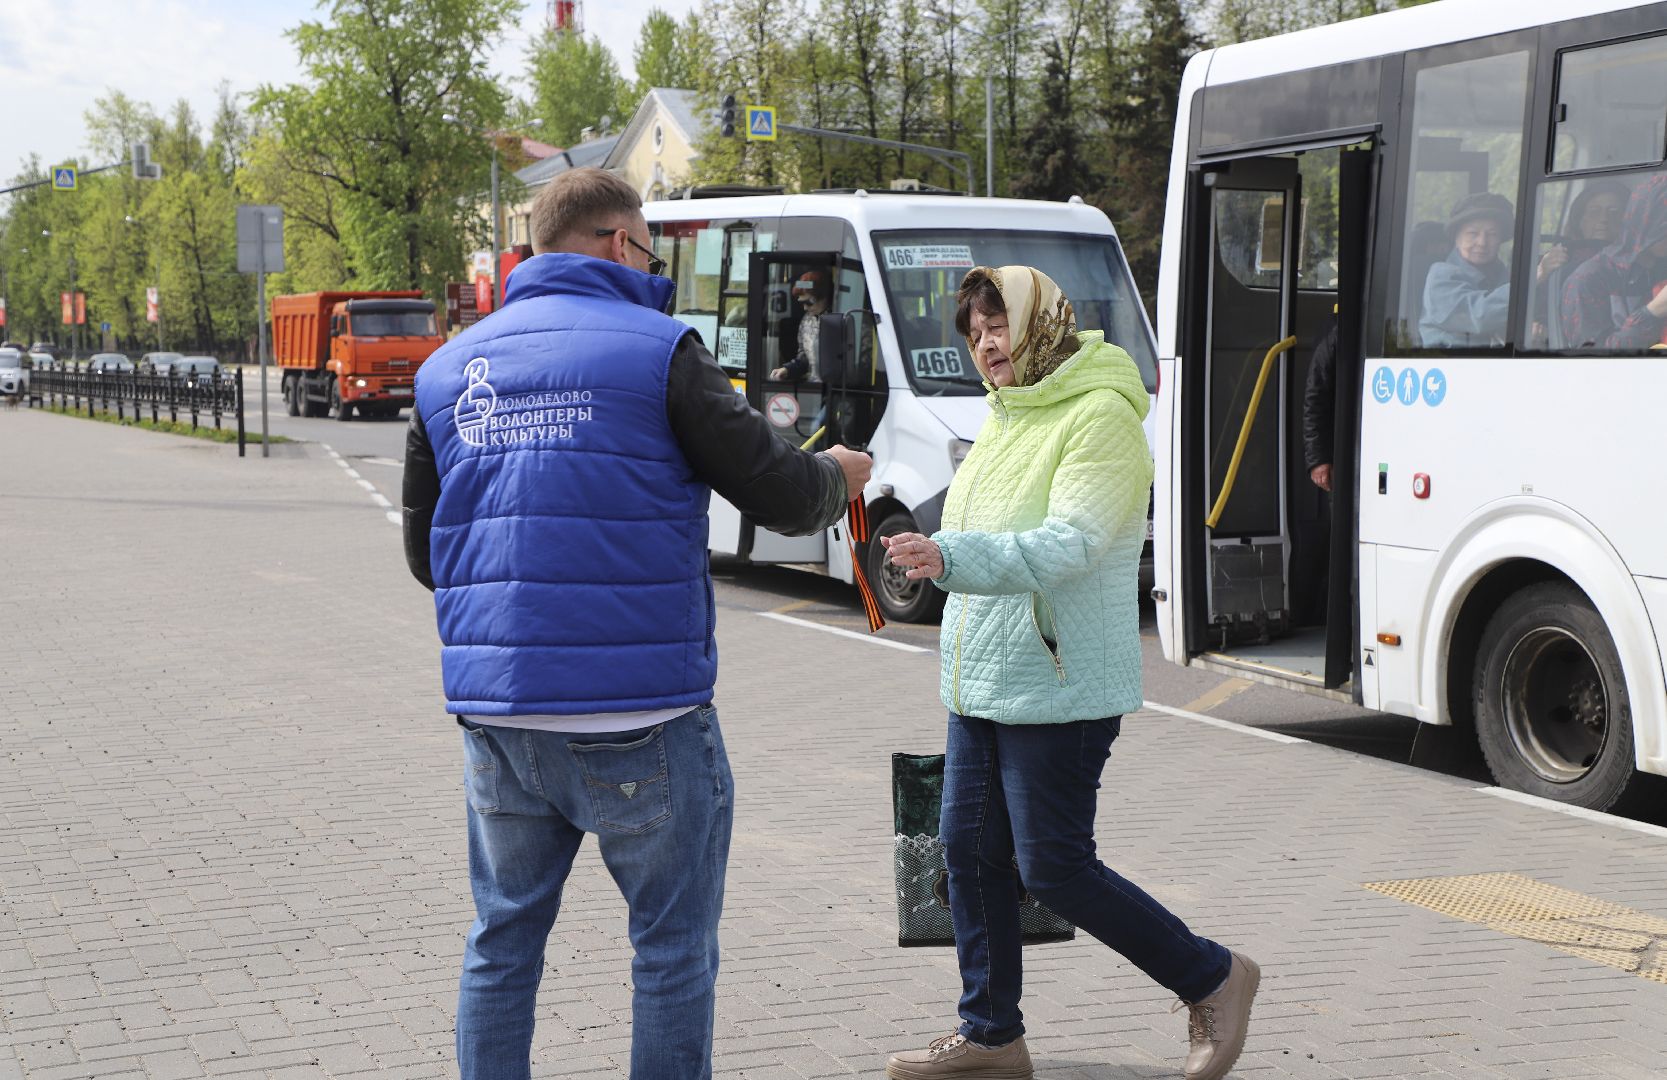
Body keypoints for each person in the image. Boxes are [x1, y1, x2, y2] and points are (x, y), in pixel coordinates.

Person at [401, 166, 870, 1080]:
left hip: (500, 722)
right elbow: (777, 492)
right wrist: (837, 479)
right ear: (621, 243)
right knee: (669, 951)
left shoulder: (446, 370)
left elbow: (428, 557)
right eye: (650, 248)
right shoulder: (662, 350)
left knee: (501, 943)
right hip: (642, 719)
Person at [880, 265, 1258, 1080]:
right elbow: (977, 525)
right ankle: (990, 1036)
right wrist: (918, 541)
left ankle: (1214, 977)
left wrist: (949, 554)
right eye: (975, 331)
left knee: (1053, 865)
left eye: (999, 325)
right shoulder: (1008, 416)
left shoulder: (1099, 418)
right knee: (966, 854)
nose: (986, 344)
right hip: (982, 677)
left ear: (1043, 324)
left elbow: (1071, 542)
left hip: (1059, 683)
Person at [1559, 172, 1667, 351]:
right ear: (1646, 221)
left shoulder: (1660, 268)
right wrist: (1653, 311)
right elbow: (1591, 361)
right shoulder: (1588, 279)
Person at [1419, 193, 1517, 347]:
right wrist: (1530, 282)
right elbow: (1480, 316)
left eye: (1492, 234)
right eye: (1472, 234)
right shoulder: (1441, 276)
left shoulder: (1505, 277)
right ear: (1456, 237)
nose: (1482, 242)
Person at [770, 270, 831, 381]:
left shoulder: (842, 318)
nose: (805, 308)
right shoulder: (807, 320)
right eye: (802, 303)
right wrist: (787, 370)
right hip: (814, 389)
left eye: (809, 302)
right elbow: (804, 358)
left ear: (824, 297)